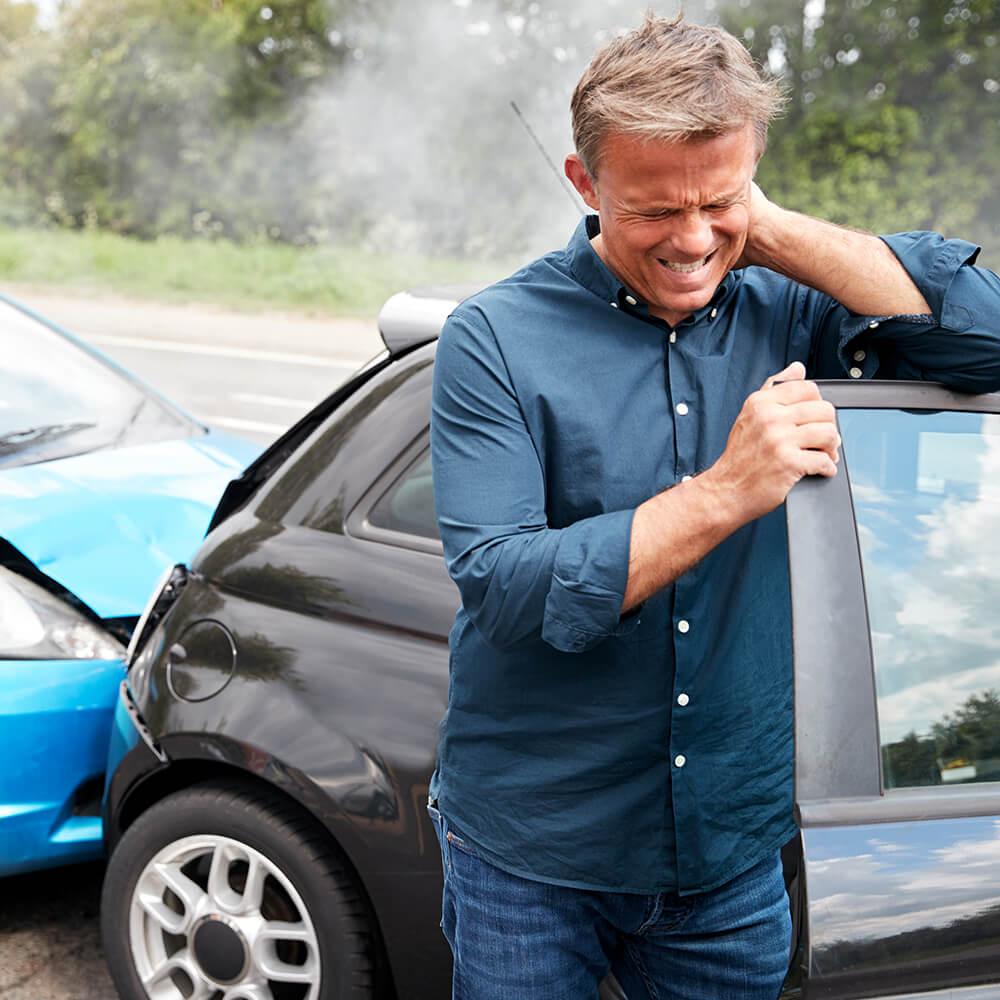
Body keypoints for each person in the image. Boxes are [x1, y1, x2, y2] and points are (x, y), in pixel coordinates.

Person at [428, 12, 1000, 1000]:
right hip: (529, 852)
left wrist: (760, 226)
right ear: (583, 183)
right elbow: (508, 588)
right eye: (654, 209)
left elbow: (986, 342)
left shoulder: (797, 308)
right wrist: (726, 492)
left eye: (718, 201)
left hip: (729, 855)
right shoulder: (491, 338)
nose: (692, 241)